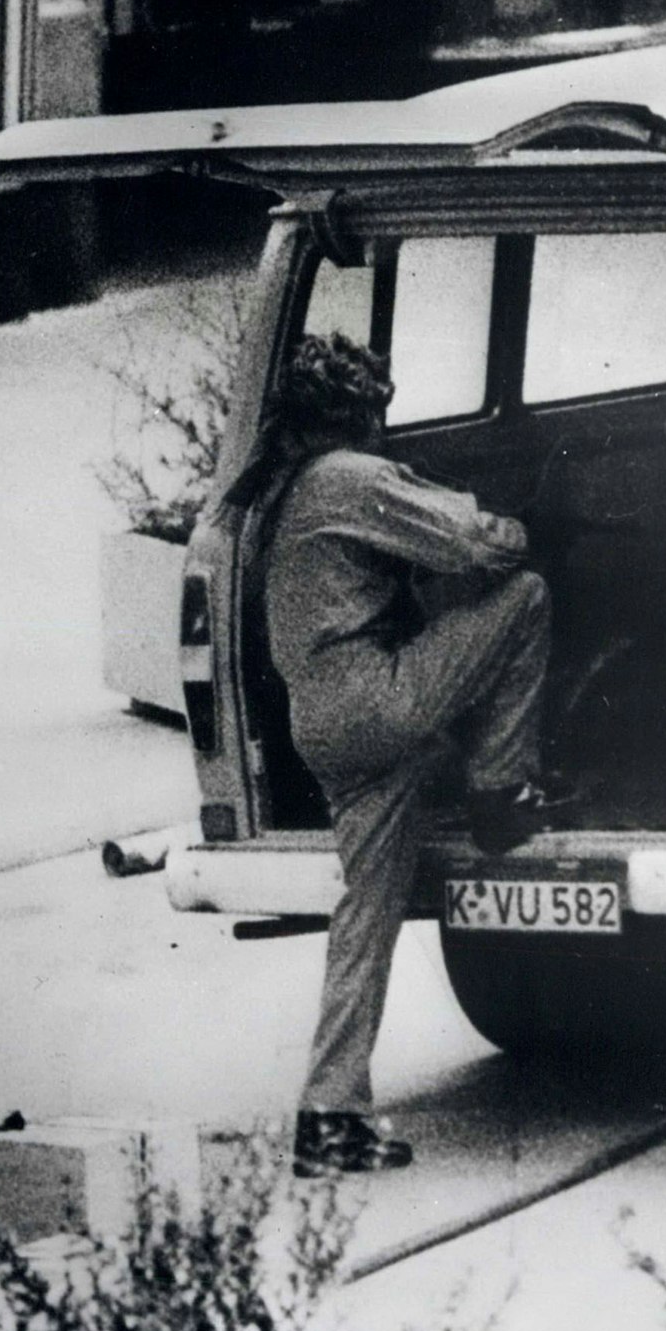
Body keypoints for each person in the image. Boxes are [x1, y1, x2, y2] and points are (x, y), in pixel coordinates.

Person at [223, 332, 557, 1178]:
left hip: (325, 727)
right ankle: (500, 794)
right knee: (523, 598)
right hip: (376, 700)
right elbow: (484, 548)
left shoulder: (280, 489)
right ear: (361, 412)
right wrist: (529, 523)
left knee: (363, 922)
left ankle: (328, 1117)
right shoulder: (351, 476)